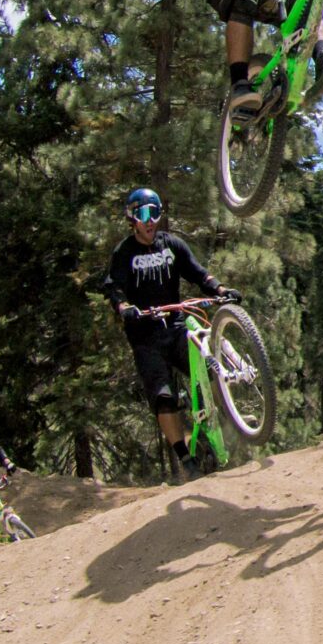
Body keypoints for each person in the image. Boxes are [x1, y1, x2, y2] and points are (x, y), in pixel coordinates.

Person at [99, 186, 234, 470]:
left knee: (209, 371)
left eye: (155, 212)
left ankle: (223, 424)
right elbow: (114, 288)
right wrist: (124, 308)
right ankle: (184, 457)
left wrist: (220, 289)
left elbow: (198, 273)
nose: (149, 220)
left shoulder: (172, 244)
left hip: (175, 327)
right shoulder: (124, 252)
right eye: (143, 214)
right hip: (145, 337)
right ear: (131, 218)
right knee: (164, 398)